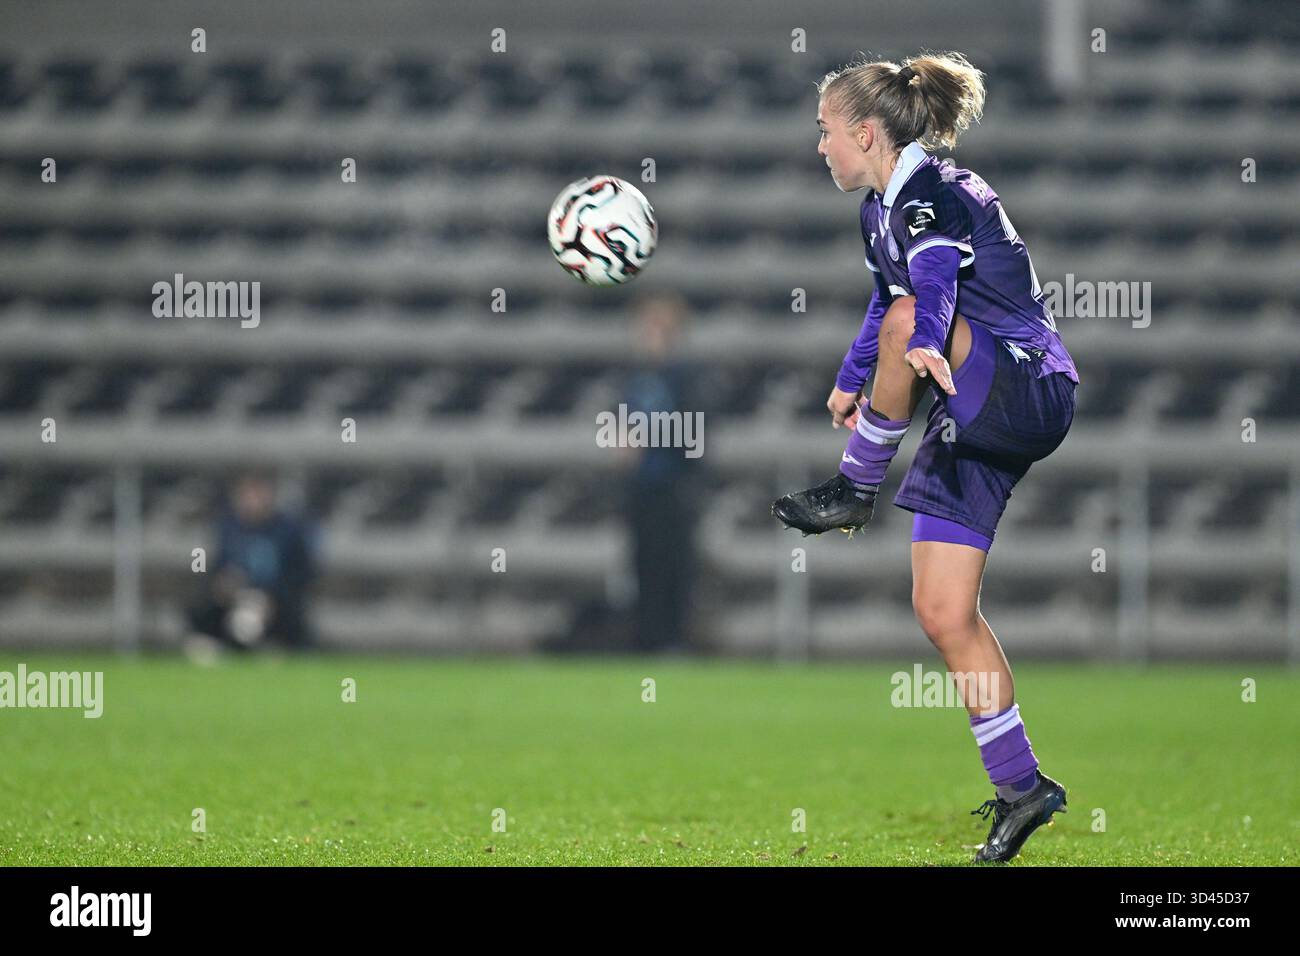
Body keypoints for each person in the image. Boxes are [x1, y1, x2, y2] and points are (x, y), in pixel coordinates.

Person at [771, 52, 1078, 862]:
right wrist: (851, 381)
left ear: (864, 132)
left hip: (1022, 385)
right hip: (967, 403)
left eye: (825, 131)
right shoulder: (879, 209)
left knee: (912, 316)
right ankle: (1022, 788)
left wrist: (928, 340)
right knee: (943, 611)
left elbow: (930, 284)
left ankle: (854, 489)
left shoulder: (931, 190)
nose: (820, 147)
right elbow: (886, 301)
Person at [185, 471, 319, 657]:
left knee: (273, 618)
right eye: (247, 494)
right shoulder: (226, 529)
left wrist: (272, 598)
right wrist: (222, 585)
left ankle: (274, 648)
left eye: (257, 494)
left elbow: (302, 574)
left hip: (276, 603)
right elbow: (213, 568)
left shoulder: (289, 530)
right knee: (203, 609)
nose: (252, 500)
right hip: (233, 599)